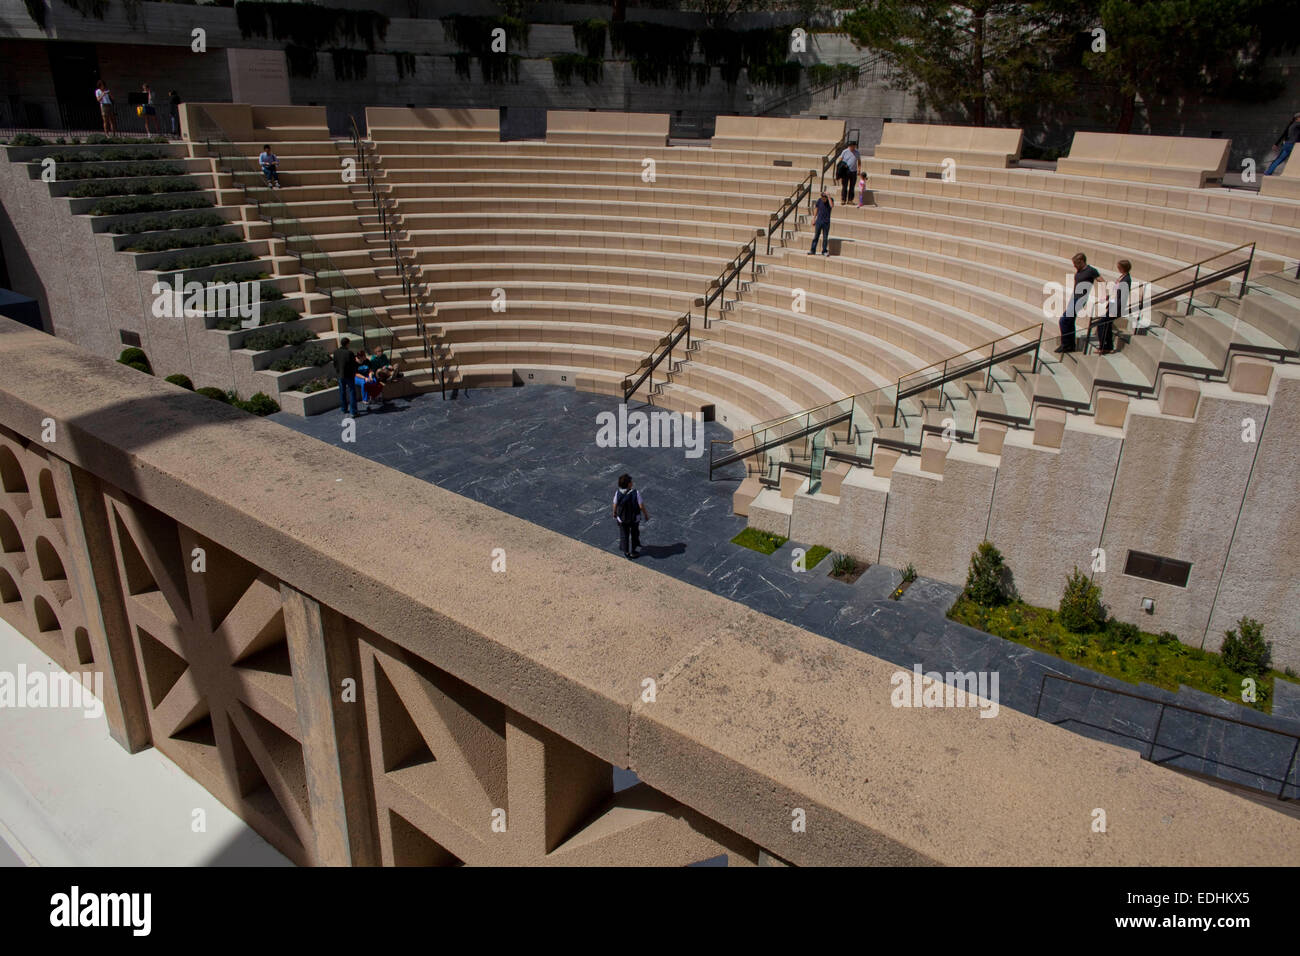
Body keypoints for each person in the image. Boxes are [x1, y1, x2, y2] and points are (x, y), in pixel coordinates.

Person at [1056, 252, 1099, 354]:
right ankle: (1070, 345)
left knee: (1063, 320)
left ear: (1082, 261)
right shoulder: (1079, 271)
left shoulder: (1091, 271)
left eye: (1076, 263)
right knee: (1070, 321)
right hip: (1074, 298)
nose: (1074, 265)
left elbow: (1101, 280)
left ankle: (1066, 345)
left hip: (1080, 299)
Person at [1097, 259, 1131, 355]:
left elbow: (1122, 297)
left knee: (1101, 324)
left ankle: (1103, 346)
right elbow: (1116, 292)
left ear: (1122, 268)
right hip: (1112, 305)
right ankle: (1107, 347)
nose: (1117, 268)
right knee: (1106, 326)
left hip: (1116, 308)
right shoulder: (1122, 277)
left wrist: (1114, 310)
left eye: (1119, 267)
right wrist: (1109, 298)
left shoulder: (1126, 279)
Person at [613, 473, 649, 559]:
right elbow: (641, 506)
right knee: (635, 533)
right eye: (631, 481)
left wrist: (614, 513)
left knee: (624, 534)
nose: (632, 482)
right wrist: (646, 515)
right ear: (628, 484)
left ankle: (626, 551)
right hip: (634, 518)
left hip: (622, 518)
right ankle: (633, 550)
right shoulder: (636, 493)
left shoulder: (618, 492)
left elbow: (615, 504)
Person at [334, 338, 358, 417]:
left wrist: (338, 372)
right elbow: (354, 365)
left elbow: (335, 364)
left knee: (342, 392)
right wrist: (353, 374)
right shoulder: (349, 353)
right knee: (352, 392)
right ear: (347, 344)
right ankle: (353, 411)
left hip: (340, 375)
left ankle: (344, 408)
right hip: (349, 376)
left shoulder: (336, 352)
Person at [808, 191, 833, 257]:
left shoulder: (830, 200)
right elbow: (816, 209)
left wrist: (829, 197)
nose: (823, 199)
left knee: (825, 237)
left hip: (826, 222)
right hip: (819, 221)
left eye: (824, 198)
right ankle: (813, 250)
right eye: (822, 197)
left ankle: (824, 251)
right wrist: (814, 218)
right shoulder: (819, 200)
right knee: (816, 236)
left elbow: (831, 206)